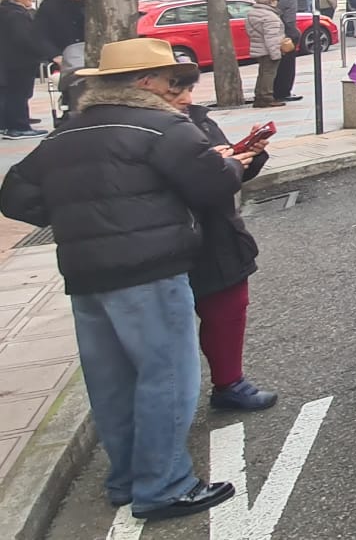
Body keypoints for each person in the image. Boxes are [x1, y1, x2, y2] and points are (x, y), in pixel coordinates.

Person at [0, 39, 238, 521]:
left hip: (86, 272)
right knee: (166, 375)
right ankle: (165, 485)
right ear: (144, 83)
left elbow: (15, 197)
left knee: (112, 380)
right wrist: (235, 163)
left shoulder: (66, 133)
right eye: (173, 80)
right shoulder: (163, 126)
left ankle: (127, 477)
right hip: (149, 267)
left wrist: (79, 216)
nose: (179, 88)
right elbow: (213, 183)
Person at [175, 92, 277, 412]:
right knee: (169, 324)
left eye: (186, 85)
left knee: (228, 307)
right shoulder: (150, 128)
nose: (185, 94)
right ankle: (174, 402)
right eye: (175, 84)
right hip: (170, 237)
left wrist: (248, 156)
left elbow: (229, 173)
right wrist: (218, 167)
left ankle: (229, 383)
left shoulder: (198, 118)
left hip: (218, 232)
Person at [1, 0, 53, 137]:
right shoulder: (17, 15)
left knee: (11, 94)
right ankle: (19, 126)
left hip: (9, 61)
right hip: (20, 61)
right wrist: (42, 52)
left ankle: (8, 124)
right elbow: (25, 38)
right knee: (19, 94)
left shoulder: (5, 11)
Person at [245, 0, 287, 109]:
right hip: (268, 49)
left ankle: (259, 96)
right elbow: (272, 37)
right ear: (270, 1)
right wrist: (276, 54)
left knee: (262, 73)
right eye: (275, 0)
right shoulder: (269, 16)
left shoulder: (252, 13)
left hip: (258, 47)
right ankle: (266, 98)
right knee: (269, 73)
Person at [37, 0, 87, 69]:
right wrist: (55, 55)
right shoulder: (50, 6)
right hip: (63, 55)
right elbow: (39, 34)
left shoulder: (93, 3)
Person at [269, 0, 301, 102]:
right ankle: (284, 92)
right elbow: (289, 20)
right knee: (287, 66)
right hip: (285, 36)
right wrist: (294, 35)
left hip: (271, 35)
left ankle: (274, 90)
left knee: (275, 66)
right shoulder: (290, 0)